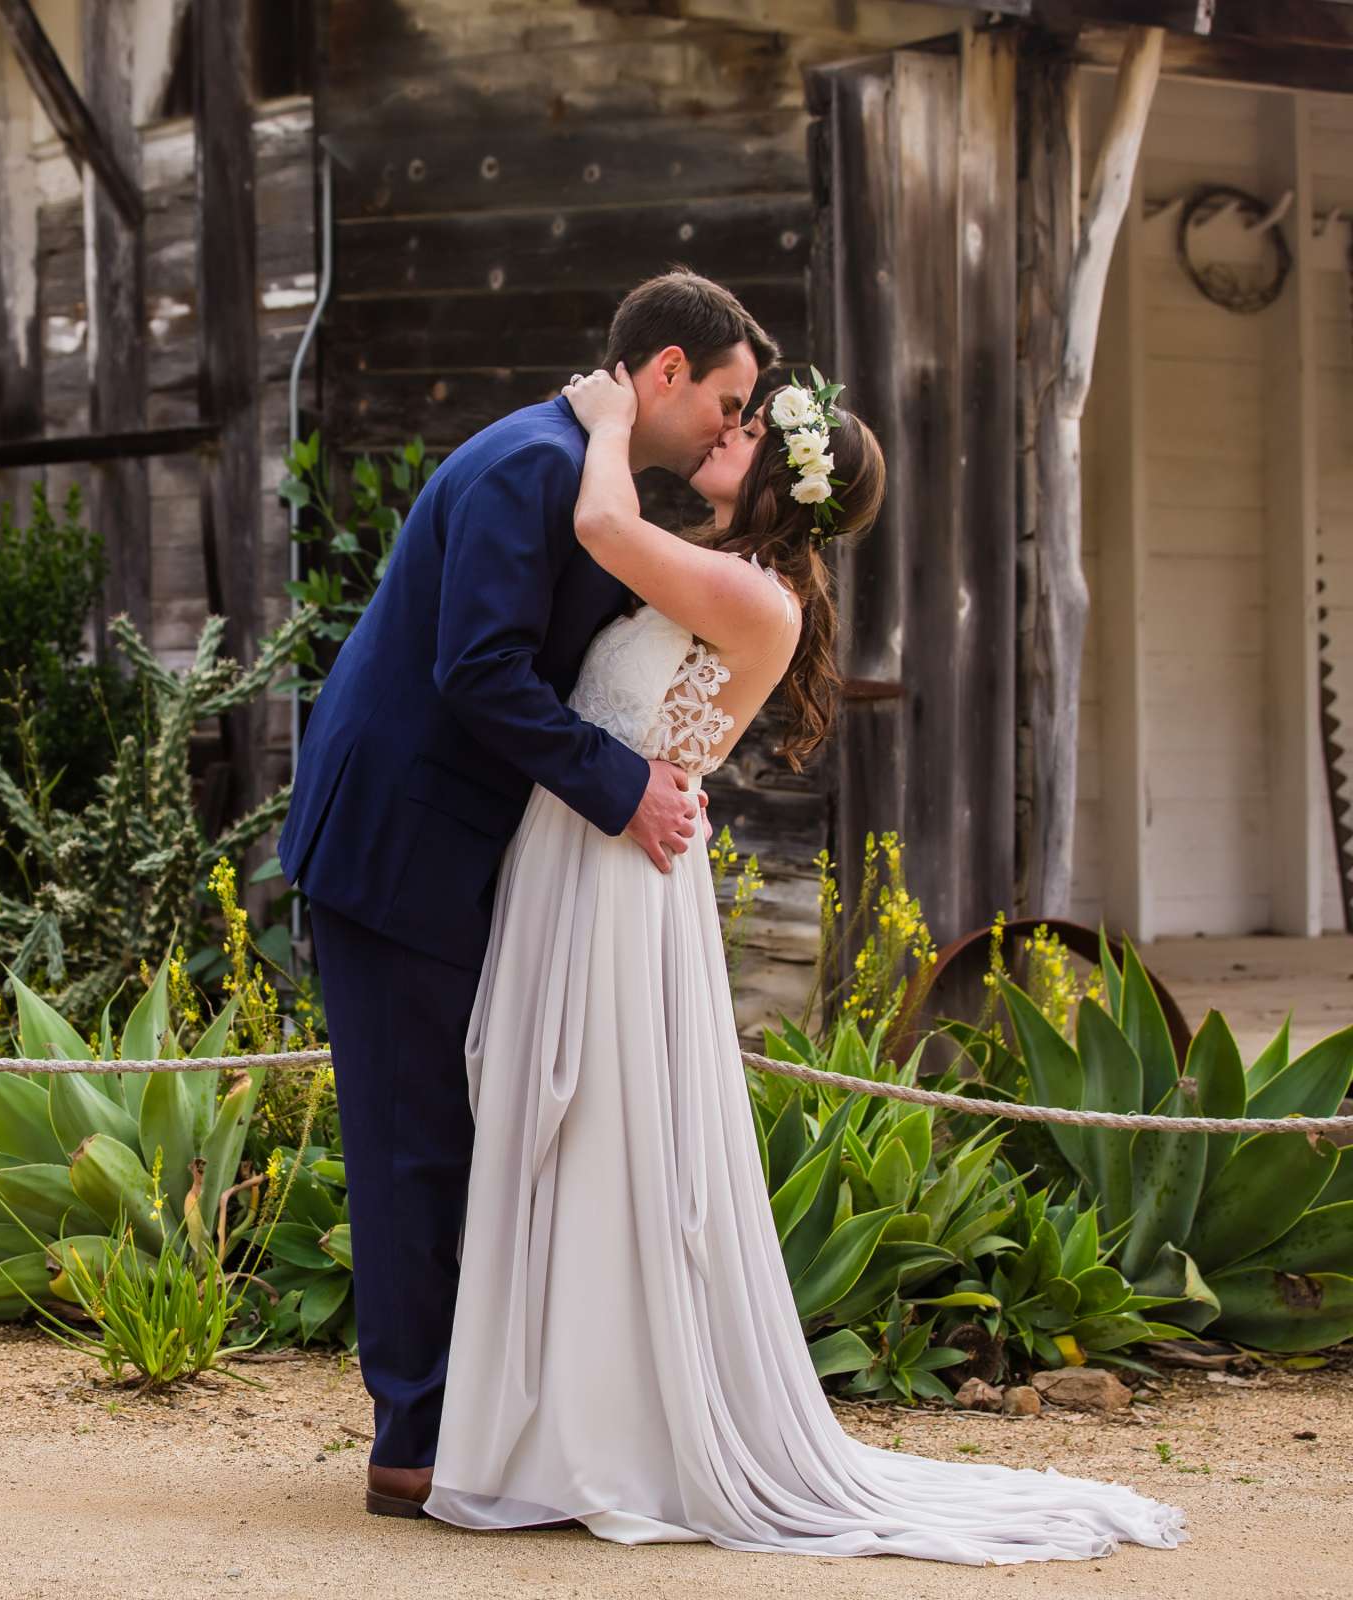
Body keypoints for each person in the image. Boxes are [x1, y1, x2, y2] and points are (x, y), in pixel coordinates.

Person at [416, 362, 1185, 1563]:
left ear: (780, 471)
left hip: (616, 883)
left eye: (749, 424)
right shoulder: (726, 570)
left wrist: (611, 418)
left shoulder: (752, 593)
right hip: (579, 854)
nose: (727, 427)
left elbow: (602, 524)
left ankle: (599, 1435)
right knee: (560, 1124)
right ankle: (545, 1426)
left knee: (603, 1131)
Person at [277, 270, 767, 1514]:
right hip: (399, 849)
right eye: (727, 397)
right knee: (413, 1142)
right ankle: (412, 1442)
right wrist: (623, 788)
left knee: (472, 1131)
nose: (729, 425)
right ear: (666, 371)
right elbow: (480, 669)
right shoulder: (534, 468)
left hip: (473, 853)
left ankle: (482, 1418)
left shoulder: (591, 474)